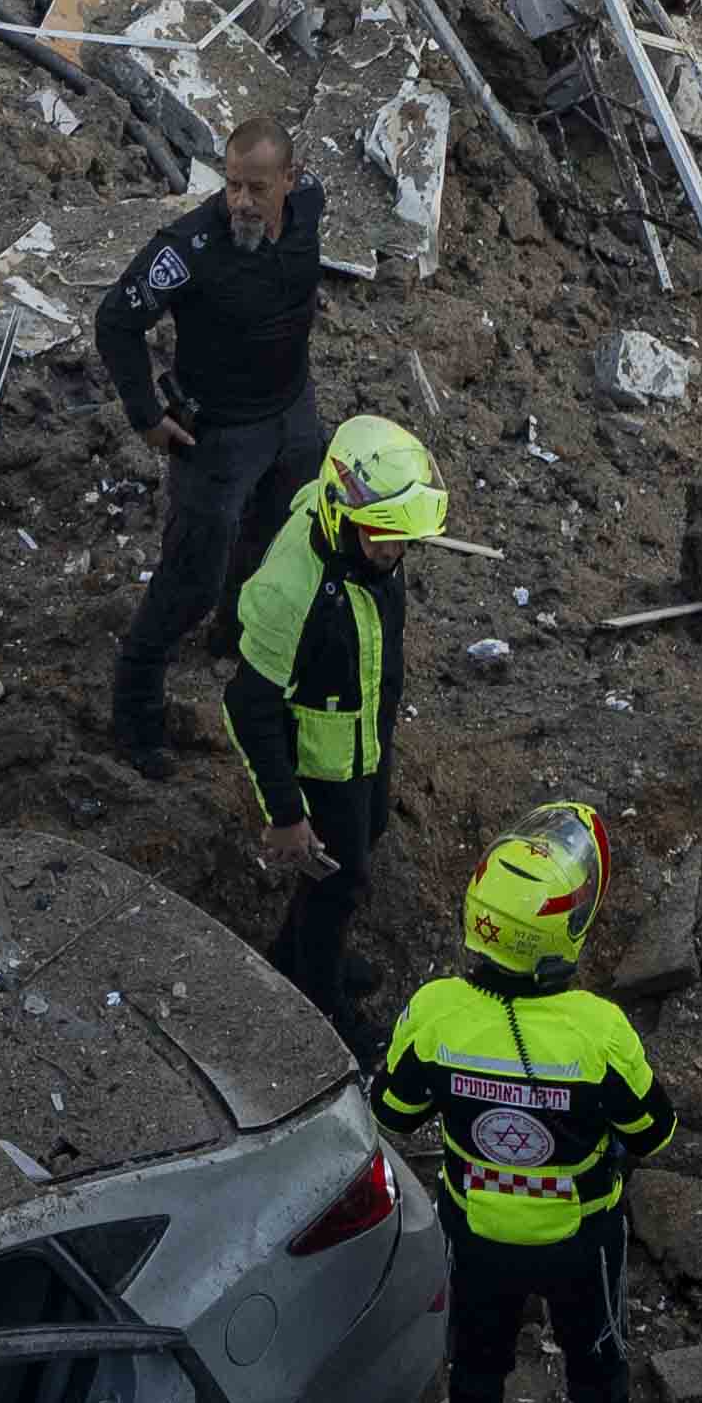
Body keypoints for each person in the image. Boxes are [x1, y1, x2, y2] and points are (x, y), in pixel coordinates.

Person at [379, 805, 671, 1403]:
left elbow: (394, 1110)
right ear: (562, 937)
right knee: (597, 1358)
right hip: (580, 1237)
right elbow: (655, 1132)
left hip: (475, 1233)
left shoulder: (435, 1012)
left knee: (476, 1367)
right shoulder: (598, 1030)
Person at [86, 115, 337, 765]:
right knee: (191, 574)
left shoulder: (309, 208)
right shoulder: (190, 248)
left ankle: (234, 633)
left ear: (291, 179)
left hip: (292, 415)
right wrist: (144, 413)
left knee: (279, 540)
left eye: (257, 188)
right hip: (219, 436)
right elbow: (115, 321)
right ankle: (136, 711)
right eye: (231, 186)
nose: (241, 203)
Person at [221, 415, 446, 1019]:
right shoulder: (289, 590)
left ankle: (292, 958)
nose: (394, 554)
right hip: (321, 770)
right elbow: (247, 705)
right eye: (382, 537)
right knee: (338, 885)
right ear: (341, 513)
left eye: (403, 539)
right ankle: (320, 1007)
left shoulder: (371, 552)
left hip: (366, 741)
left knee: (362, 844)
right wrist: (285, 813)